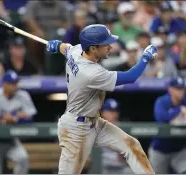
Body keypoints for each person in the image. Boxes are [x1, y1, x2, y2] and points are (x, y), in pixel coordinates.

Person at [46, 24, 157, 174]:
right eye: (106, 44)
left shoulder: (77, 50)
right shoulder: (91, 73)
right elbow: (131, 77)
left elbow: (65, 48)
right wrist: (145, 57)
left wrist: (57, 45)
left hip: (94, 123)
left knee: (131, 145)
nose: (110, 47)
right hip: (75, 131)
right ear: (92, 48)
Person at [0, 70, 37, 174]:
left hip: (11, 140)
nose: (15, 86)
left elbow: (31, 118)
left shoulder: (23, 95)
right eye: (12, 84)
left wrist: (12, 118)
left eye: (16, 83)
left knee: (22, 159)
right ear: (4, 85)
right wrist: (18, 116)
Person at [148, 76, 186, 174]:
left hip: (179, 151)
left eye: (182, 88)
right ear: (170, 89)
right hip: (159, 150)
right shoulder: (162, 101)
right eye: (178, 89)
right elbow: (160, 117)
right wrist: (178, 110)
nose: (181, 91)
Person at [101, 98, 132, 174]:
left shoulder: (125, 128)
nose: (114, 114)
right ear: (103, 113)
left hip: (121, 167)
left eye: (116, 111)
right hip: (103, 165)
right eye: (111, 111)